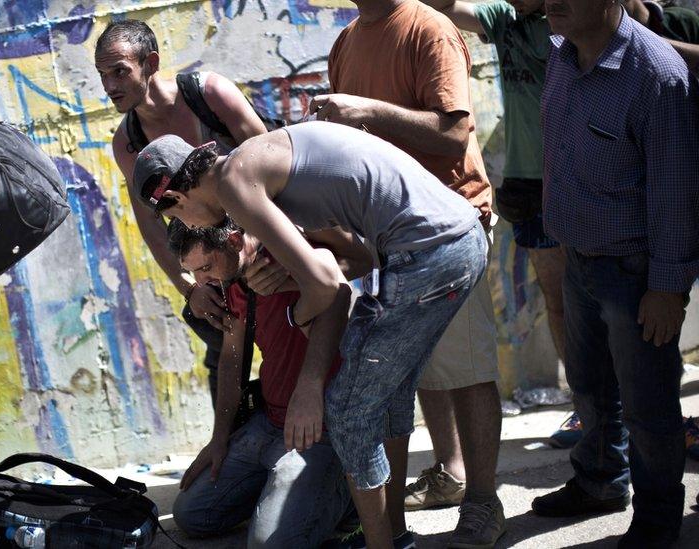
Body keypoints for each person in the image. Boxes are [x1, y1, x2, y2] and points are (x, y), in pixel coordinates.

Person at [131, 120, 489, 549]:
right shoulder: (252, 163)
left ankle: (381, 541)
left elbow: (326, 287)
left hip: (429, 249)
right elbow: (342, 267)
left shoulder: (234, 185)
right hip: (448, 237)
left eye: (175, 215)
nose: (184, 222)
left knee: (350, 414)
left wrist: (295, 299)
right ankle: (391, 535)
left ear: (176, 196)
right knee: (387, 404)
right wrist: (295, 276)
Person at [307, 0, 504, 546]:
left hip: (447, 229)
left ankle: (485, 502)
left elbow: (453, 135)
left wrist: (365, 110)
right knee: (409, 373)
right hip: (385, 237)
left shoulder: (428, 29)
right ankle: (449, 476)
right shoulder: (348, 39)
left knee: (466, 370)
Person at [532, 2, 698, 547]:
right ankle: (601, 481)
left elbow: (676, 193)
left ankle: (656, 523)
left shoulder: (656, 74)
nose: (549, 2)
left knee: (649, 408)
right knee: (591, 389)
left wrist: (668, 288)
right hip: (580, 261)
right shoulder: (561, 56)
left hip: (636, 277)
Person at [94, 19, 268, 403]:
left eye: (120, 71)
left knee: (291, 334)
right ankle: (230, 446)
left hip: (265, 240)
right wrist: (190, 287)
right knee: (225, 355)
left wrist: (264, 241)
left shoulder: (209, 95)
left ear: (150, 63)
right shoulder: (129, 143)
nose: (109, 86)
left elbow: (273, 160)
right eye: (103, 75)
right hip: (213, 265)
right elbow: (152, 226)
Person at [169, 218, 362, 548]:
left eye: (205, 267)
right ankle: (298, 497)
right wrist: (220, 439)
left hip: (320, 429)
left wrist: (298, 281)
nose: (201, 281)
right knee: (192, 514)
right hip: (269, 423)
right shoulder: (229, 279)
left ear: (233, 241)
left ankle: (346, 496)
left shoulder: (295, 253)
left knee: (269, 543)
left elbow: (346, 296)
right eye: (193, 272)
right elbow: (231, 360)